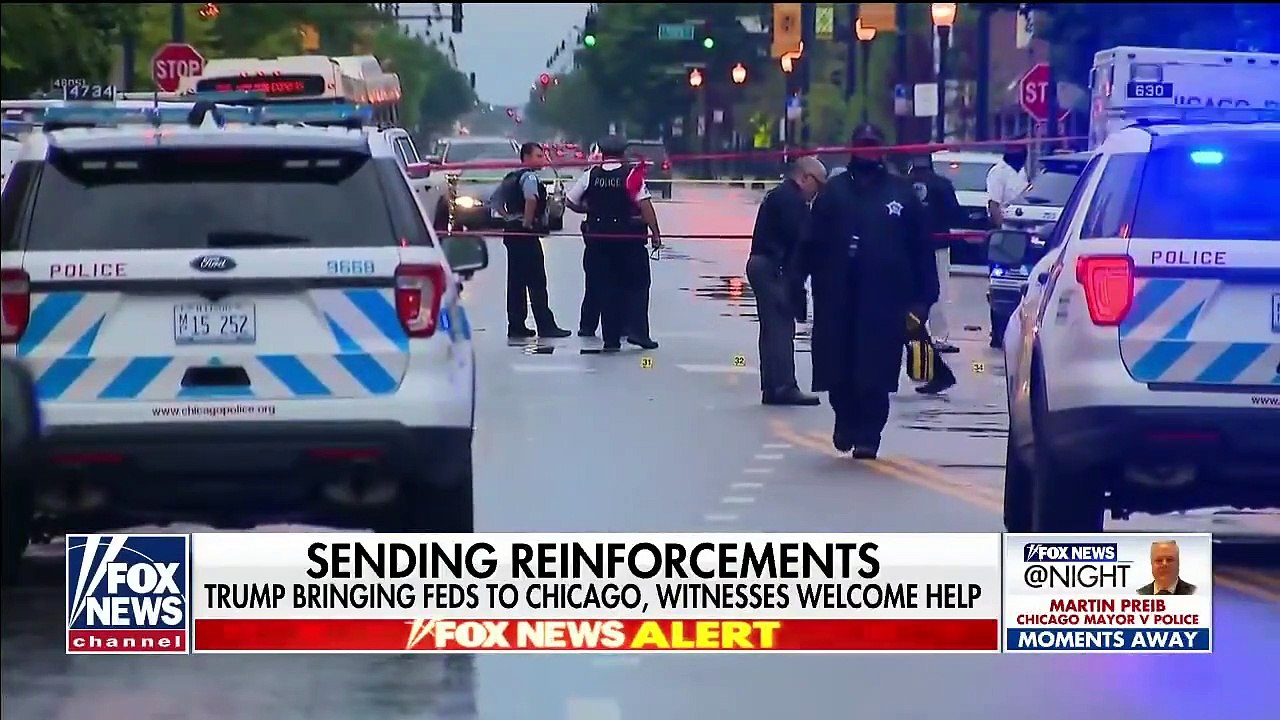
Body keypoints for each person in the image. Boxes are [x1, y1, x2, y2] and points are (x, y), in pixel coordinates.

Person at [800, 124, 940, 458]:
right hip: (836, 299)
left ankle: (868, 434)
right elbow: (810, 242)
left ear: (881, 150)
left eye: (872, 145)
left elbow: (922, 249)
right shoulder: (833, 192)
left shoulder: (902, 194)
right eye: (861, 145)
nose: (867, 151)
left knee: (875, 372)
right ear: (852, 149)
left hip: (884, 301)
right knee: (838, 368)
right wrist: (794, 283)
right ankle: (844, 419)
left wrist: (923, 299)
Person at [565, 135, 661, 352]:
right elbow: (644, 205)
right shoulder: (631, 175)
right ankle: (638, 332)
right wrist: (655, 234)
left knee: (607, 287)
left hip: (598, 239)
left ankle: (611, 339)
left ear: (603, 152)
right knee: (637, 286)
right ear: (623, 153)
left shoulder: (591, 175)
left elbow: (570, 201)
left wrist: (591, 210)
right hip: (628, 240)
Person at [746, 156, 826, 406]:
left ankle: (772, 385)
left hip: (763, 263)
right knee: (781, 328)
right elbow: (800, 241)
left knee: (771, 329)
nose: (818, 192)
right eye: (819, 185)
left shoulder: (779, 195)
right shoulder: (792, 200)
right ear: (805, 177)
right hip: (774, 267)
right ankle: (782, 386)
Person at [492, 142, 571, 339]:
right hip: (526, 234)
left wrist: (509, 217)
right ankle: (546, 326)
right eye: (538, 155)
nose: (542, 159)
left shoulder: (510, 177)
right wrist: (527, 221)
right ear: (526, 158)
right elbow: (531, 199)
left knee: (516, 282)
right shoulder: (529, 177)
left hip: (511, 233)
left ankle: (516, 325)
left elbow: (494, 201)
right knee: (537, 281)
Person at [907, 154, 963, 355]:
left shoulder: (903, 185)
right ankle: (938, 337)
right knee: (938, 290)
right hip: (937, 243)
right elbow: (954, 213)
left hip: (909, 245)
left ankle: (908, 332)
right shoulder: (942, 184)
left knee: (908, 291)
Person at [985, 135, 1030, 227]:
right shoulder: (998, 172)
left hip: (1024, 220)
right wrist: (1000, 228)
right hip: (1007, 224)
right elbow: (994, 204)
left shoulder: (1022, 171)